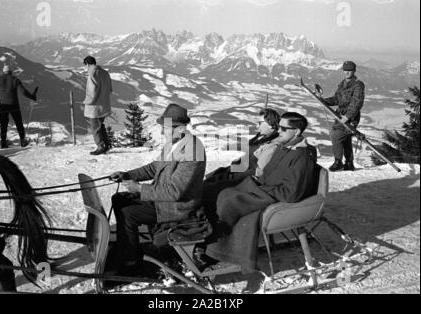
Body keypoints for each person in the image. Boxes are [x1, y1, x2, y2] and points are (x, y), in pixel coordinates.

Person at [202, 112, 319, 270]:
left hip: (275, 195)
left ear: (297, 131)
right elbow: (266, 172)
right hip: (264, 188)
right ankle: (208, 239)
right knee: (222, 192)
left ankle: (216, 252)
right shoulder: (286, 148)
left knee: (228, 200)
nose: (279, 132)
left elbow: (291, 192)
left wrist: (260, 187)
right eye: (279, 128)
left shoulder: (302, 156)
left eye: (284, 129)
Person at [107, 104, 206, 287]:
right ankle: (127, 246)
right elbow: (155, 168)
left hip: (177, 207)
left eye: (165, 127)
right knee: (120, 199)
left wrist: (140, 189)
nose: (161, 131)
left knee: (129, 213)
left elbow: (175, 192)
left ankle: (131, 261)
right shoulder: (174, 143)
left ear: (180, 128)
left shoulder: (192, 151)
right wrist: (128, 175)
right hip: (162, 199)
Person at [319, 61, 365, 172]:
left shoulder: (358, 85)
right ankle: (349, 164)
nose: (347, 72)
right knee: (345, 139)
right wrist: (324, 101)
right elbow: (336, 99)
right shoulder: (342, 84)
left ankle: (338, 162)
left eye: (349, 70)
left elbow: (357, 102)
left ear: (354, 71)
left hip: (351, 117)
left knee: (336, 135)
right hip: (340, 115)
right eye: (345, 70)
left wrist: (348, 116)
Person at [0, 65, 37, 148]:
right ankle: (22, 141)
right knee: (18, 123)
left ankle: (3, 143)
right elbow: (23, 92)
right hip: (14, 104)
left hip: (3, 105)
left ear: (4, 71)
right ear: (11, 72)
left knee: (3, 124)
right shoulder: (15, 80)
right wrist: (32, 96)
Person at [83, 56, 113, 155]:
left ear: (87, 64)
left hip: (95, 106)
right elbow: (110, 89)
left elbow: (92, 91)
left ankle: (101, 146)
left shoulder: (92, 73)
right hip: (104, 104)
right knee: (101, 125)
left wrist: (87, 102)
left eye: (86, 65)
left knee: (95, 126)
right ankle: (107, 144)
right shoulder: (105, 72)